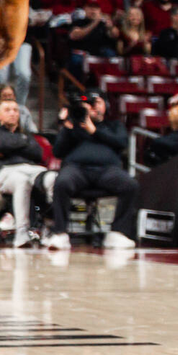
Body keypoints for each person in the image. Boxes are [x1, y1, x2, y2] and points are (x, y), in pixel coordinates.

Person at [45, 92, 137, 249]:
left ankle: (118, 233)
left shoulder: (114, 126)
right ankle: (60, 232)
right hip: (77, 170)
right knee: (62, 181)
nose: (94, 107)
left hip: (107, 171)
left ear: (106, 106)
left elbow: (121, 142)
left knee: (130, 184)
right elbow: (58, 152)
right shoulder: (73, 127)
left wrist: (93, 130)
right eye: (90, 104)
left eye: (98, 102)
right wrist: (68, 126)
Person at [0, 96, 45, 247]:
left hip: (30, 168)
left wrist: (15, 144)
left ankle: (51, 228)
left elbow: (38, 153)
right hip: (6, 171)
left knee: (52, 177)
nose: (12, 113)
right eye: (7, 110)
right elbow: (3, 144)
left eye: (15, 110)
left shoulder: (25, 133)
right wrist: (24, 143)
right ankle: (22, 232)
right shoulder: (22, 136)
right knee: (21, 180)